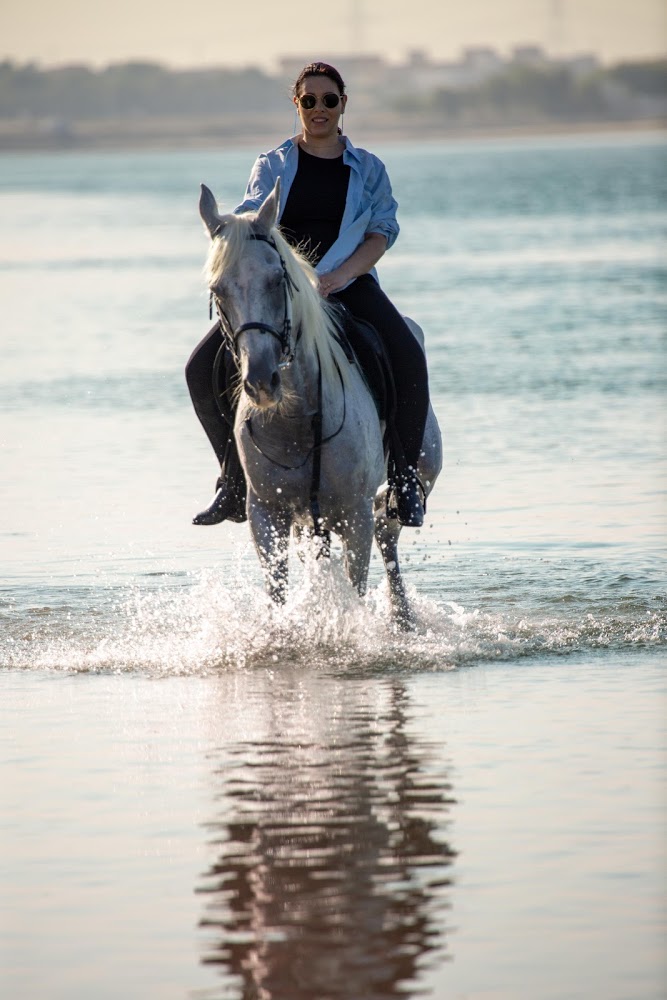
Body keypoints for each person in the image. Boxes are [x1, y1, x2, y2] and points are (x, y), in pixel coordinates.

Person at [186, 61, 430, 528]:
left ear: (343, 104)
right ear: (297, 105)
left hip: (347, 284)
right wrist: (224, 232)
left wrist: (340, 276)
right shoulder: (272, 164)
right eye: (309, 100)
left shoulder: (369, 168)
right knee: (199, 368)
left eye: (329, 100)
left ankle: (402, 480)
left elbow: (381, 233)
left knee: (407, 354)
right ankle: (233, 483)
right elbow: (251, 222)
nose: (320, 109)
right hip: (280, 290)